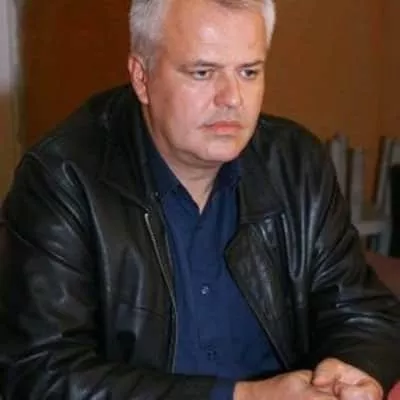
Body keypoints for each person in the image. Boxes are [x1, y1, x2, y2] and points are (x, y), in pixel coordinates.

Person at [0, 0, 399, 399]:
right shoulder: (62, 180)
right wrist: (243, 396)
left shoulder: (295, 164)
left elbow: (362, 312)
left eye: (248, 72)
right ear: (141, 76)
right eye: (203, 72)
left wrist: (351, 370)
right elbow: (40, 373)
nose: (232, 98)